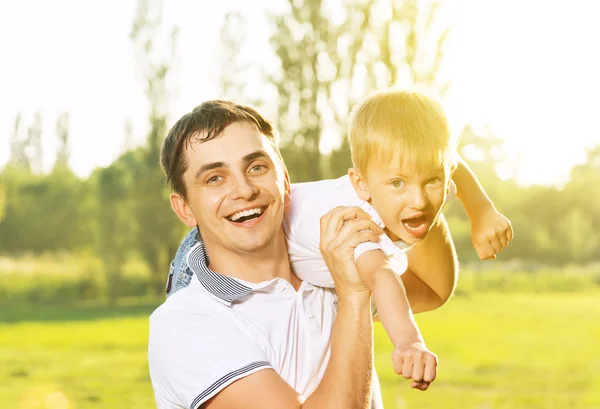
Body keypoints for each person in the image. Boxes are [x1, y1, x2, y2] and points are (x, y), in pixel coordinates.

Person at [163, 90, 513, 391]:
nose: (418, 199)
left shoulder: (402, 190)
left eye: (257, 168)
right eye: (215, 178)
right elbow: (381, 275)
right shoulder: (353, 221)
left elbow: (449, 165)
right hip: (199, 254)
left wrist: (478, 211)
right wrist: (409, 343)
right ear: (360, 183)